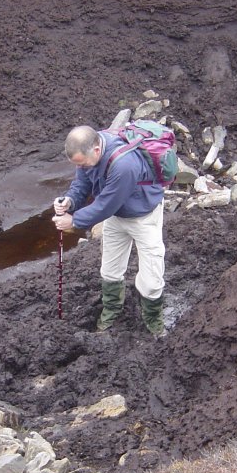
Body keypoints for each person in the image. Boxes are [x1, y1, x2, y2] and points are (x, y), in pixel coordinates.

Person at [51, 124, 166, 336]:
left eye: (83, 163)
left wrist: (74, 221)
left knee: (151, 279)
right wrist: (70, 201)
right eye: (78, 164)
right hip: (117, 216)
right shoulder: (87, 155)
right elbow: (82, 184)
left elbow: (106, 204)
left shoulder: (124, 165)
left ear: (96, 150)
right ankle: (112, 311)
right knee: (110, 270)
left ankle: (154, 321)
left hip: (144, 217)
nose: (82, 167)